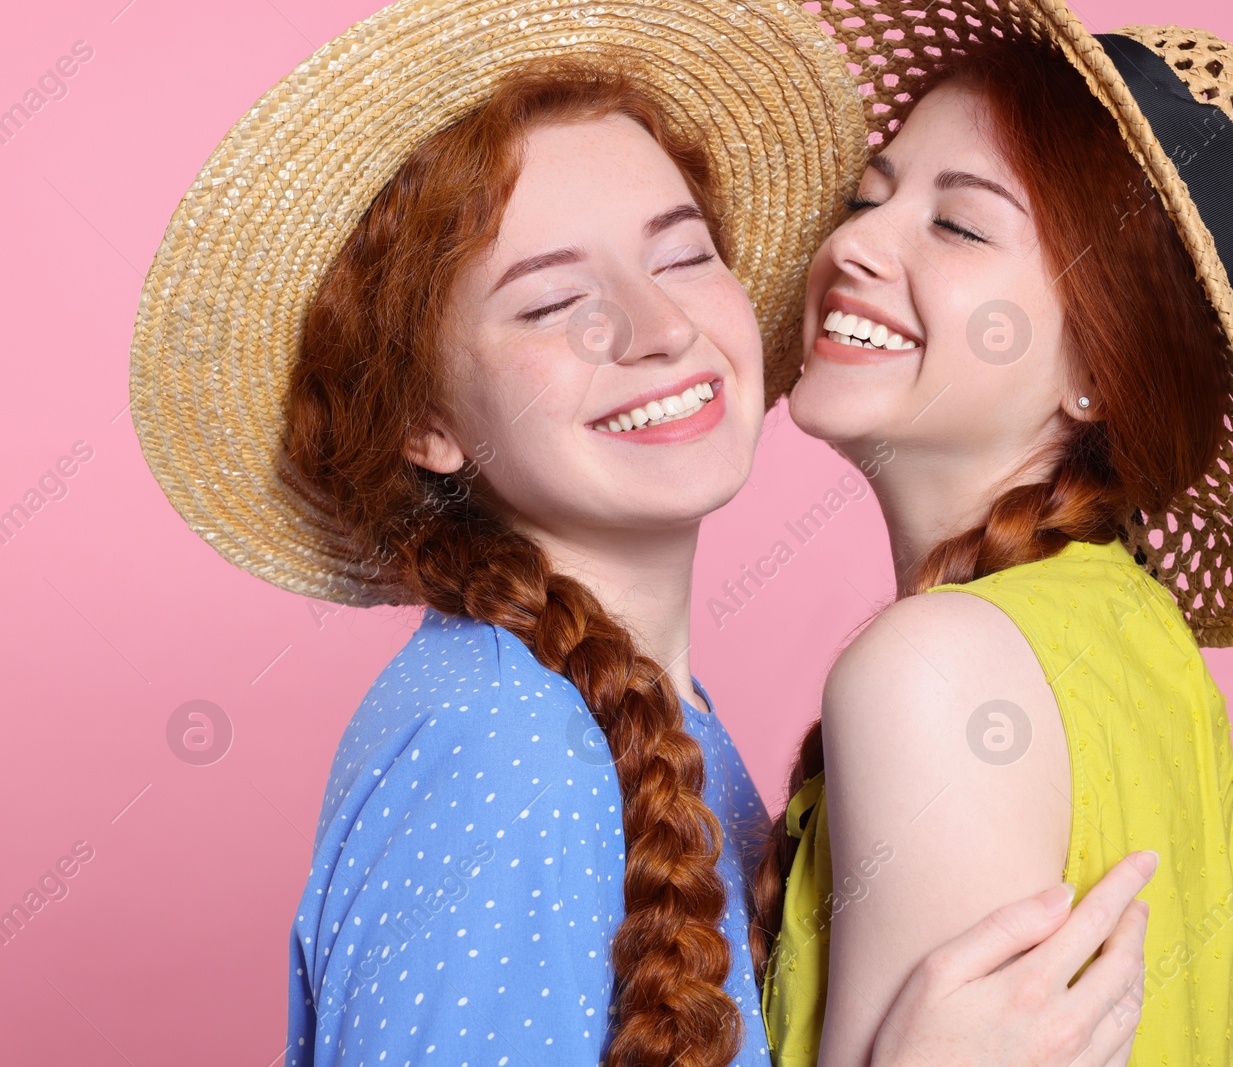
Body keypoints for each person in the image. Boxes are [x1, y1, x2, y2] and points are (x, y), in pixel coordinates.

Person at [127, 1, 1157, 1064]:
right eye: (553, 302)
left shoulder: (644, 720)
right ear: (423, 421)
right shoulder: (498, 746)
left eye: (681, 256)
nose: (661, 328)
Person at [754, 9, 1233, 1067]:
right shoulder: (1133, 634)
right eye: (866, 196)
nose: (854, 244)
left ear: (1100, 368)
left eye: (960, 227)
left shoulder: (934, 671)